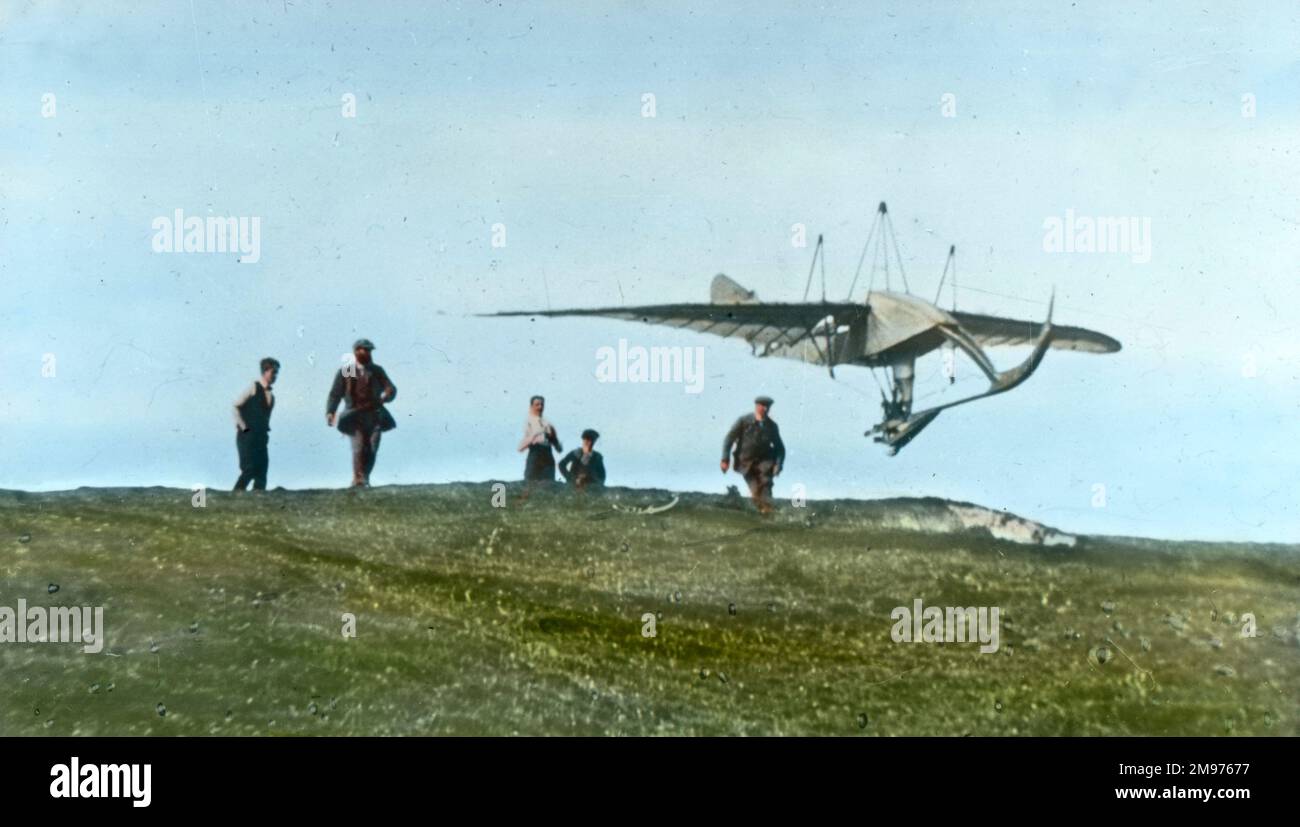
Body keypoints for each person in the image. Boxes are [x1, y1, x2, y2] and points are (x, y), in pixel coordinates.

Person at [325, 339, 397, 487]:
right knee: (358, 446)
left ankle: (365, 477)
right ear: (357, 351)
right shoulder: (347, 370)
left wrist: (387, 395)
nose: (368, 353)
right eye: (365, 350)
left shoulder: (377, 370)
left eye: (370, 350)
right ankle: (358, 479)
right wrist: (330, 411)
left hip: (375, 415)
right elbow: (335, 393)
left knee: (372, 446)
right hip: (353, 415)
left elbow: (390, 388)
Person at [721, 395, 786, 515]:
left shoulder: (772, 426)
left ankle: (769, 514)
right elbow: (729, 439)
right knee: (755, 490)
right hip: (745, 463)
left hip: (765, 463)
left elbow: (780, 448)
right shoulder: (743, 421)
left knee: (766, 486)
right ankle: (761, 511)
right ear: (757, 406)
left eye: (768, 407)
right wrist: (725, 459)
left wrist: (779, 464)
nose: (765, 409)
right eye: (763, 406)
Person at [232, 357, 280, 491]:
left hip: (261, 437)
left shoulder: (272, 397)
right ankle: (234, 498)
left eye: (276, 373)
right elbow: (235, 406)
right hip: (247, 436)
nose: (275, 376)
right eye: (273, 372)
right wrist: (244, 428)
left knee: (262, 472)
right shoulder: (253, 388)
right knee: (249, 469)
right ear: (264, 372)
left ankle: (258, 504)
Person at [518, 395, 562, 483]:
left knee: (548, 486)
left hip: (548, 456)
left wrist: (554, 437)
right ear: (531, 406)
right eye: (537, 405)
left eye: (542, 404)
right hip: (535, 455)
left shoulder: (548, 423)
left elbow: (559, 449)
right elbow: (520, 448)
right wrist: (536, 434)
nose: (540, 407)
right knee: (530, 485)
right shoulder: (528, 422)